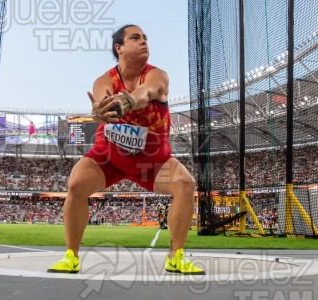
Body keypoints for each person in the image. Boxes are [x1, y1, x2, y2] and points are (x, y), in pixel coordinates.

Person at [47, 24, 204, 275]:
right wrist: (100, 108)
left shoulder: (157, 75)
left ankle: (176, 256)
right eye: (135, 37)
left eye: (145, 37)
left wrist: (129, 100)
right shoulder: (105, 79)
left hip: (151, 160)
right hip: (109, 156)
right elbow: (101, 97)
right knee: (76, 184)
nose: (144, 42)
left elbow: (148, 91)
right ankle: (71, 256)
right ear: (118, 48)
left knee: (185, 184)